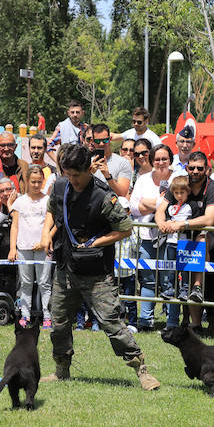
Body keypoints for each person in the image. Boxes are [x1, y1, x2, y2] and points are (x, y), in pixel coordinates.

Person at [40, 143, 159, 390]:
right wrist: (46, 234)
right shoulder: (61, 185)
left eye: (76, 175)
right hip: (65, 268)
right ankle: (61, 370)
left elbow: (125, 229)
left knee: (111, 322)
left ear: (88, 170)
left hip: (97, 274)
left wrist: (95, 242)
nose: (71, 179)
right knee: (59, 323)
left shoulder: (103, 195)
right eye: (67, 174)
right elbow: (52, 211)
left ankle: (141, 370)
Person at [155, 151, 214, 328]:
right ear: (187, 167)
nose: (196, 171)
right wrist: (162, 223)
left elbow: (209, 219)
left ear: (207, 168)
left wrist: (181, 224)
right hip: (181, 236)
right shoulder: (180, 182)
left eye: (200, 168)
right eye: (192, 167)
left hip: (204, 233)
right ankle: (192, 322)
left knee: (199, 244)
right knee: (178, 273)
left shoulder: (212, 188)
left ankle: (197, 289)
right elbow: (161, 209)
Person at [129, 144, 174, 330]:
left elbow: (176, 206)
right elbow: (133, 207)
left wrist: (149, 203)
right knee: (147, 278)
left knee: (168, 280)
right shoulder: (143, 179)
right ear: (151, 160)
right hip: (146, 236)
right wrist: (162, 204)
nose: (161, 162)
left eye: (164, 159)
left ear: (170, 160)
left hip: (170, 237)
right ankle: (146, 321)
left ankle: (171, 323)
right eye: (157, 159)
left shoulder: (178, 178)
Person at [8, 165, 52, 328]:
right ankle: (25, 315)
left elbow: (51, 222)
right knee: (26, 283)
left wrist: (44, 242)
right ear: (27, 181)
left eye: (39, 182)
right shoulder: (20, 201)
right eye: (33, 181)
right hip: (23, 248)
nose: (35, 185)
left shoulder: (48, 201)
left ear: (43, 181)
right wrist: (13, 248)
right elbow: (15, 226)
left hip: (43, 249)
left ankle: (47, 316)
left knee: (44, 283)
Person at [159, 176, 194, 300]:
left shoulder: (191, 206)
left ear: (188, 192)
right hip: (171, 241)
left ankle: (185, 290)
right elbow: (167, 217)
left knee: (184, 269)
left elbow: (195, 221)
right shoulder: (170, 206)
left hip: (185, 242)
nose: (179, 196)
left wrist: (183, 225)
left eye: (182, 193)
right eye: (176, 193)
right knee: (171, 268)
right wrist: (167, 223)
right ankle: (171, 289)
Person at [87, 123, 132, 197]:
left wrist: (108, 176)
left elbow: (122, 193)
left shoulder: (123, 163)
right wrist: (89, 173)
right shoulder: (86, 161)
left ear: (110, 139)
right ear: (92, 141)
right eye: (98, 141)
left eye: (105, 140)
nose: (101, 144)